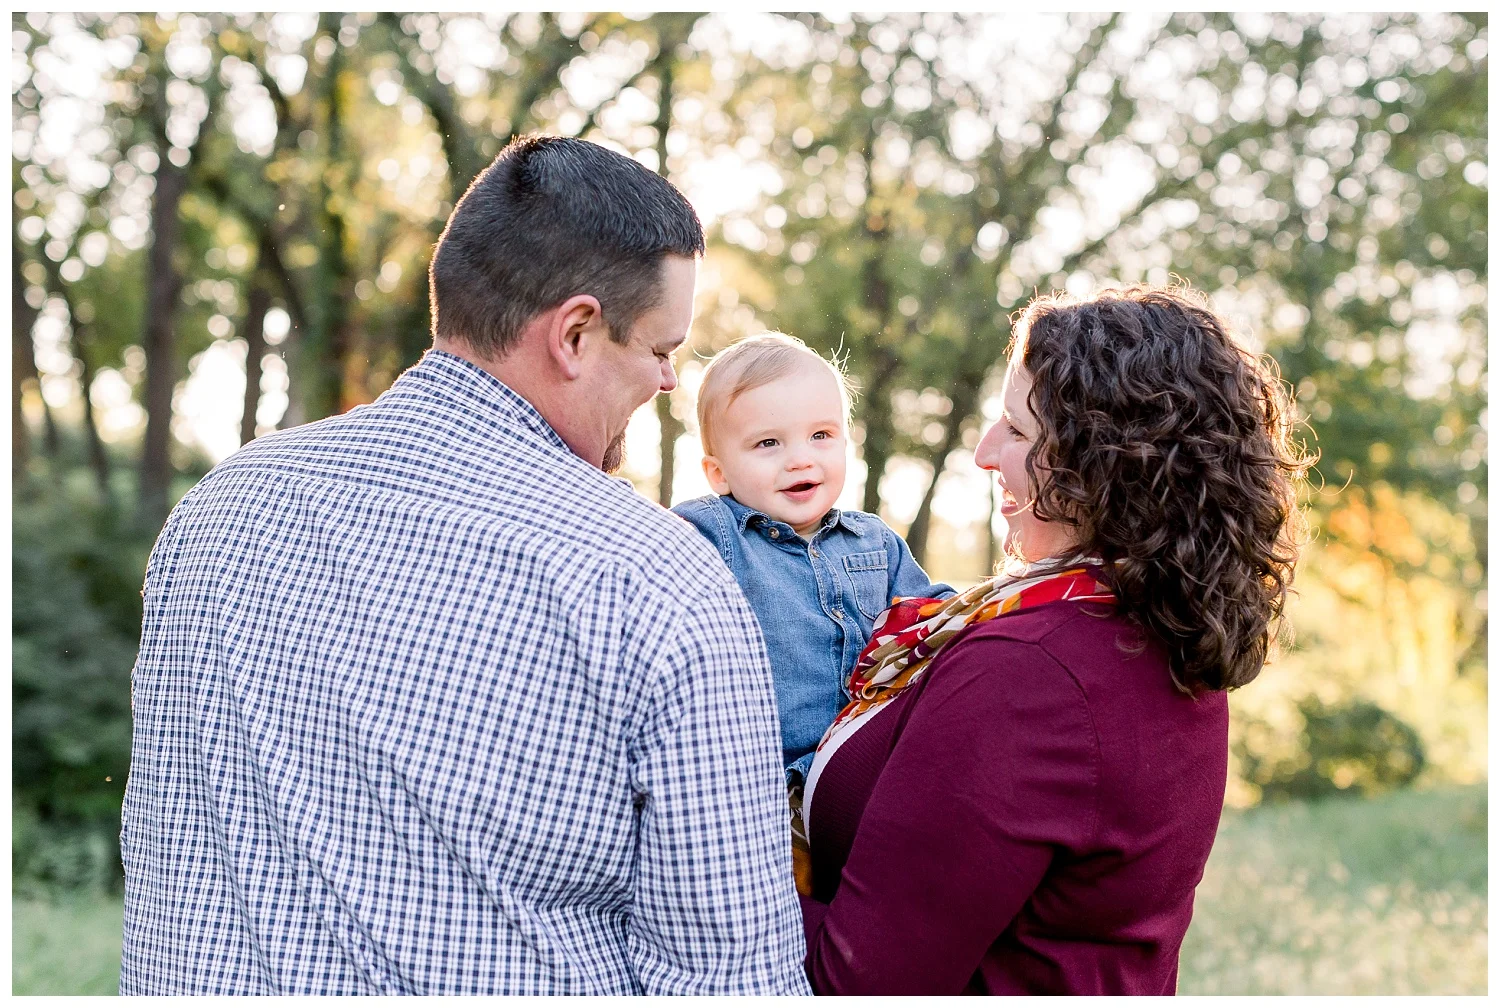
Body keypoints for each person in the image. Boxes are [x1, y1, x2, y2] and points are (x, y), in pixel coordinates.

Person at [119, 136, 811, 996]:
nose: (669, 380)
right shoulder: (654, 578)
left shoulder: (220, 508)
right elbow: (730, 980)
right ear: (576, 333)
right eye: (660, 348)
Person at [798, 285, 1311, 995]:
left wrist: (695, 876)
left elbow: (859, 983)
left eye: (1015, 429)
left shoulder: (1030, 670)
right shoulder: (1155, 622)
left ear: (1100, 461)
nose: (984, 453)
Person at [672, 333, 951, 787]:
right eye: (768, 443)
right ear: (718, 474)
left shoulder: (874, 541)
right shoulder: (716, 533)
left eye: (821, 435)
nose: (800, 459)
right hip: (767, 781)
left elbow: (938, 618)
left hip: (868, 766)